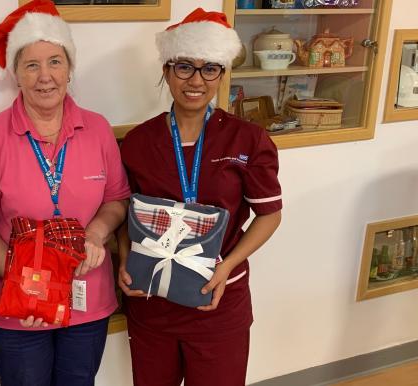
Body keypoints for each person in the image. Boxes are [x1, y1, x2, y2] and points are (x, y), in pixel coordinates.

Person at [0, 1, 130, 385]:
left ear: (70, 69)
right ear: (15, 73)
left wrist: (96, 233)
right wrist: (27, 283)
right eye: (31, 65)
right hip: (17, 307)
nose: (45, 76)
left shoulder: (98, 129)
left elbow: (116, 199)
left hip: (87, 299)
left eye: (55, 61)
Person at [118, 8, 283, 386]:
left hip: (219, 298)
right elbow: (124, 215)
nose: (196, 80)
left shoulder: (247, 139)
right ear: (166, 71)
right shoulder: (139, 142)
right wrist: (125, 260)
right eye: (184, 67)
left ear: (222, 74)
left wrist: (228, 265)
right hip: (151, 300)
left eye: (210, 68)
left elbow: (270, 215)